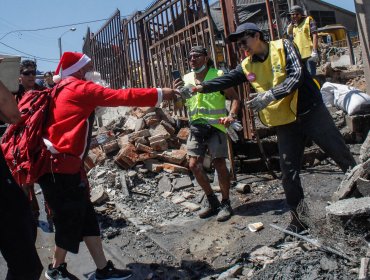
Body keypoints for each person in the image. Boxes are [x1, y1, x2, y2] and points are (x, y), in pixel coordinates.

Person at [193, 23, 356, 233]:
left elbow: (296, 76)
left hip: (311, 112)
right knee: (289, 174)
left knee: (343, 157)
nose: (242, 47)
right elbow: (228, 79)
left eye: (244, 41)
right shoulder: (247, 65)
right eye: (239, 44)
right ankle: (300, 220)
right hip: (286, 121)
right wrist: (201, 87)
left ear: (257, 36)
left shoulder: (284, 46)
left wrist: (269, 95)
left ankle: (362, 202)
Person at [38, 51, 177, 280]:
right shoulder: (78, 88)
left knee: (86, 219)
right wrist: (161, 94)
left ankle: (103, 269)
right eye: (89, 67)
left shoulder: (63, 88)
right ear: (80, 70)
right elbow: (122, 96)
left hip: (63, 167)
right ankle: (55, 268)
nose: (93, 71)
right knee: (69, 220)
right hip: (61, 169)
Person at [173, 46, 240, 222]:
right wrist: (178, 95)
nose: (192, 59)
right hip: (196, 128)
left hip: (216, 127)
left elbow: (234, 97)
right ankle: (212, 200)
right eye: (190, 57)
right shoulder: (186, 78)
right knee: (194, 165)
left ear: (206, 57)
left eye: (196, 56)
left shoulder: (218, 75)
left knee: (219, 164)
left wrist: (231, 116)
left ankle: (226, 202)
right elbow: (180, 106)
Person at [0, 59, 43, 280]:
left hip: (21, 157)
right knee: (26, 267)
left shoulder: (40, 93)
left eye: (32, 73)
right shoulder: (14, 94)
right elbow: (13, 116)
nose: (30, 76)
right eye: (27, 73)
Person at [287, 5, 319, 76]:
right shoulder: (294, 26)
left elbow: (315, 35)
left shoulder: (309, 20)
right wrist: (291, 23)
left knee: (311, 76)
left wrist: (315, 51)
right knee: (303, 78)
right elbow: (288, 32)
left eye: (297, 14)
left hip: (309, 55)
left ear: (301, 14)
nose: (294, 16)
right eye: (292, 15)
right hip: (299, 56)